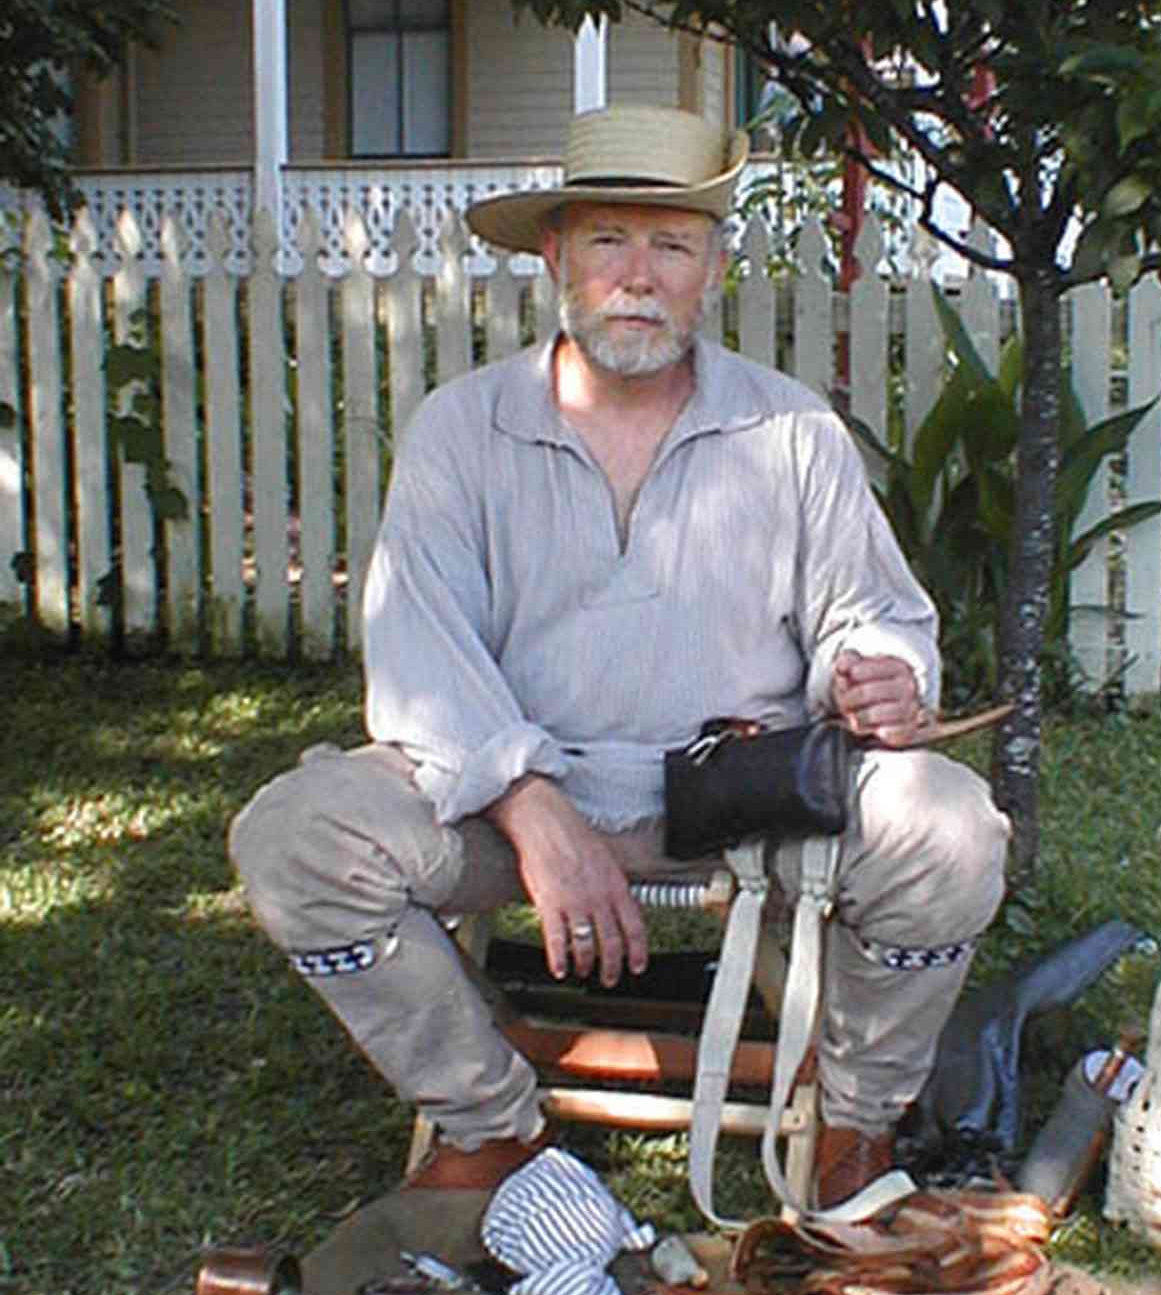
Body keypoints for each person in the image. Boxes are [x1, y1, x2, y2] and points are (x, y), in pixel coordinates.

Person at [229, 105, 1009, 1206]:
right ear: (556, 255)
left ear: (713, 266)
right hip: (507, 805)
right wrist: (535, 810)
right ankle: (490, 1122)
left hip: (740, 797)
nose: (638, 275)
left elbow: (871, 612)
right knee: (294, 837)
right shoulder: (465, 428)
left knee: (951, 829)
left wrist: (875, 669)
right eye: (608, 239)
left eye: (672, 243)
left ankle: (856, 1118)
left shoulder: (791, 433)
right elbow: (419, 650)